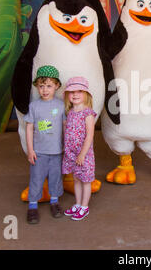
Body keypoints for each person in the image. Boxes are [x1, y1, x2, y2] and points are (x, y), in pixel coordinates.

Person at [24, 65, 66, 224]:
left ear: (56, 86)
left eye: (49, 86)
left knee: (55, 178)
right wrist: (30, 150)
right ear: (37, 87)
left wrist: (66, 147)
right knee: (36, 178)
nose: (45, 90)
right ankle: (32, 206)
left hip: (56, 151)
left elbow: (64, 127)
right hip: (39, 152)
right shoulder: (34, 106)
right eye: (41, 86)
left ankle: (55, 202)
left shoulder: (61, 105)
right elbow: (29, 128)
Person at [62, 77, 97, 221]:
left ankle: (84, 206)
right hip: (71, 153)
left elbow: (89, 136)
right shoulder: (70, 112)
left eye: (79, 91)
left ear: (86, 94)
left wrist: (82, 154)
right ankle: (77, 203)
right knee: (76, 179)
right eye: (72, 92)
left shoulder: (88, 113)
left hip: (84, 154)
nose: (75, 95)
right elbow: (67, 132)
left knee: (85, 180)